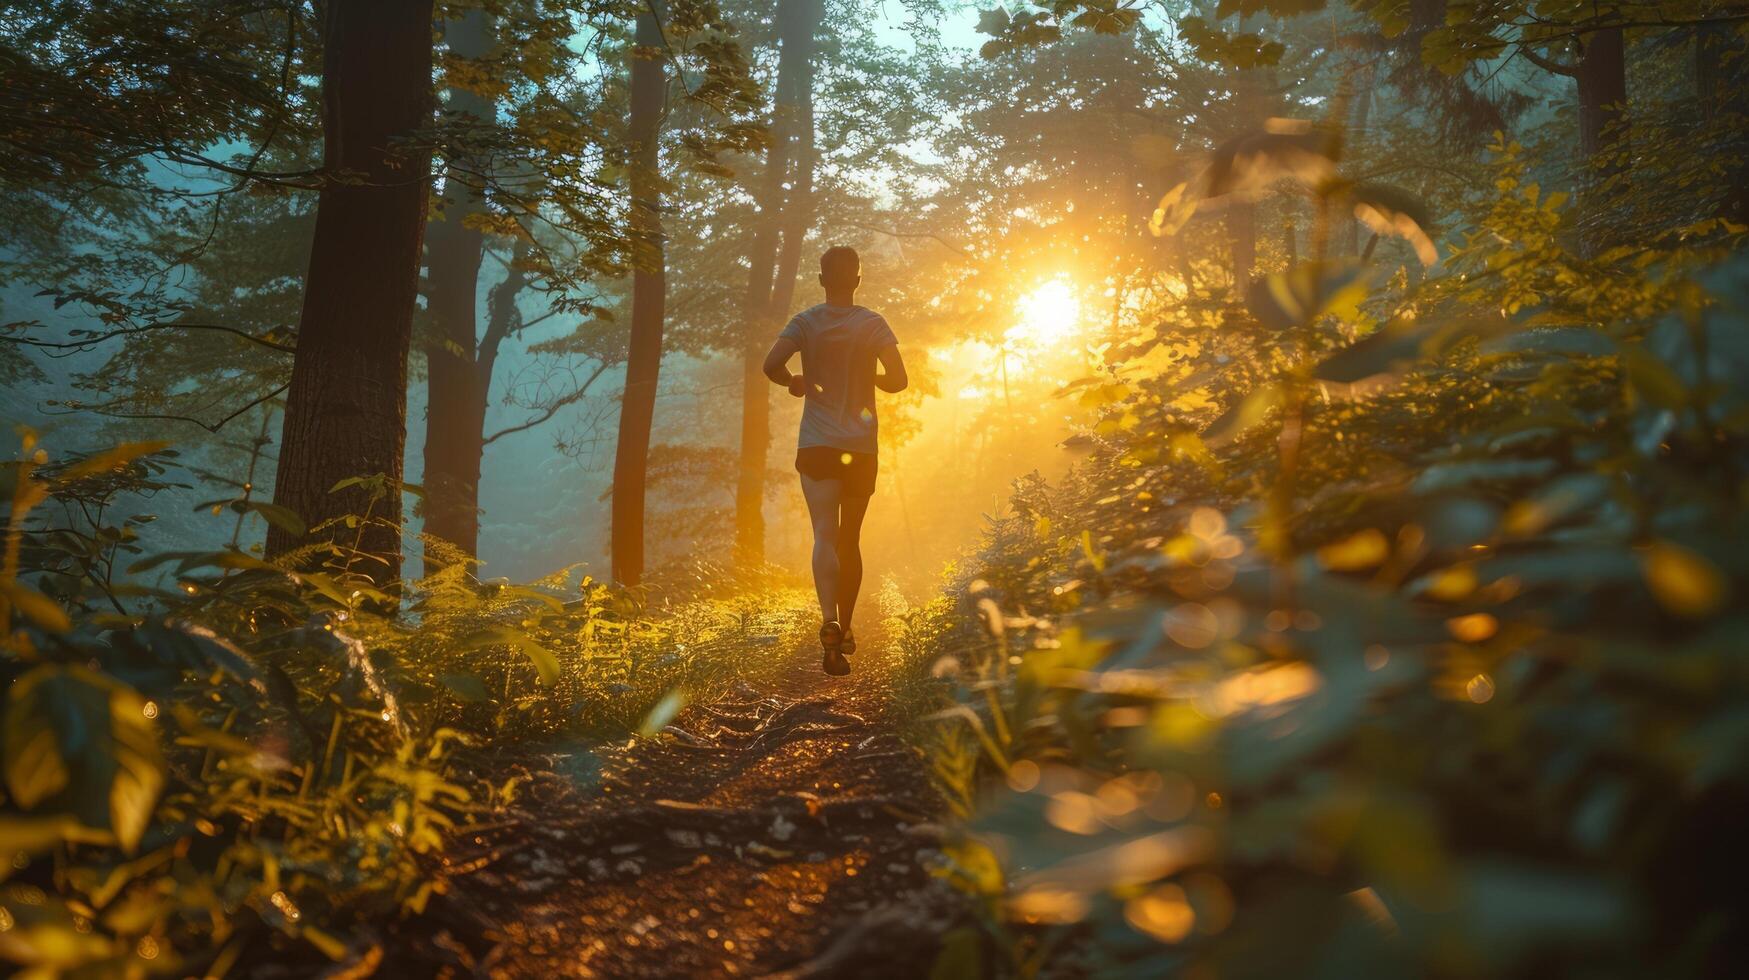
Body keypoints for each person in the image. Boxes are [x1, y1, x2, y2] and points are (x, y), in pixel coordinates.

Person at [763, 246, 907, 675]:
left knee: (824, 534)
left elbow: (772, 365)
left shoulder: (805, 322)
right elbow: (899, 381)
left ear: (822, 279)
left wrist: (795, 381)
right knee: (851, 539)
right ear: (857, 281)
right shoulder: (872, 324)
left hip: (818, 445)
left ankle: (827, 619)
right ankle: (845, 628)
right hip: (860, 447)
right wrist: (869, 378)